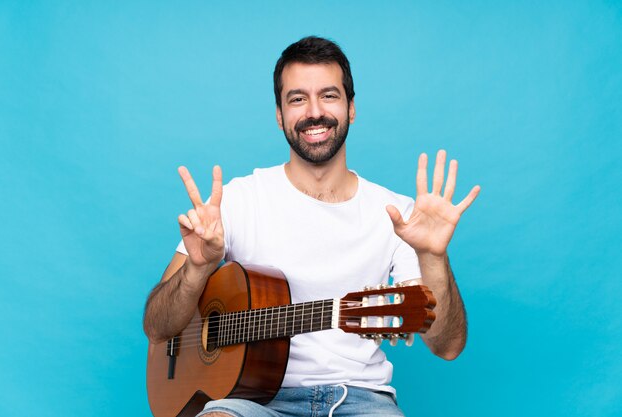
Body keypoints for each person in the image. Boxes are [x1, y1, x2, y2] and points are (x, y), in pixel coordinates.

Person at [143, 36, 480, 417]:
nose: (314, 112)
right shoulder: (238, 200)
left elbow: (447, 346)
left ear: (352, 108)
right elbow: (158, 328)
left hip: (360, 399)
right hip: (249, 402)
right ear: (279, 114)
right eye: (298, 98)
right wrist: (197, 269)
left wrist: (433, 256)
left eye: (330, 96)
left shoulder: (398, 215)